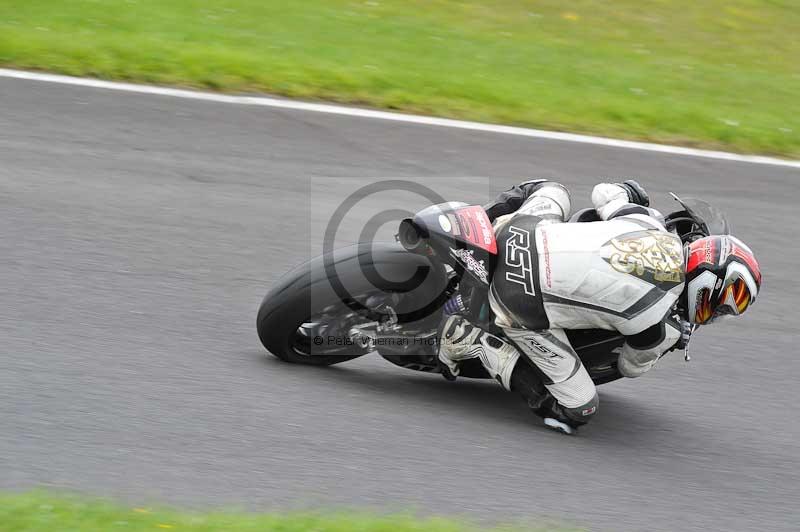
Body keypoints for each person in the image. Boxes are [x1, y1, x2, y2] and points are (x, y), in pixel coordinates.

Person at [437, 180, 762, 434]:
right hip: (517, 301)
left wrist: (630, 190)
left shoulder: (650, 224)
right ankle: (471, 341)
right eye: (716, 307)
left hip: (518, 233)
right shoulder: (657, 325)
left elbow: (605, 193)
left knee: (551, 189)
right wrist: (671, 340)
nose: (712, 314)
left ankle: (477, 223)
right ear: (706, 286)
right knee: (579, 408)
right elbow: (630, 367)